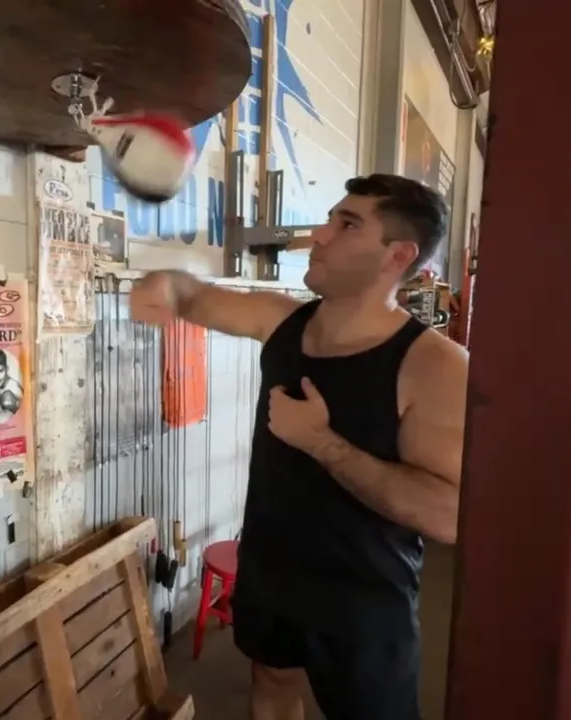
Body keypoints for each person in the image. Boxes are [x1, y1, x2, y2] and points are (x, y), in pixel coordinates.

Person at [129, 174, 468, 720]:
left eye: (347, 225)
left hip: (362, 597)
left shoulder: (434, 365)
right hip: (271, 571)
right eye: (330, 218)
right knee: (270, 683)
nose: (320, 234)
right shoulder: (282, 321)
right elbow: (192, 295)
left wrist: (321, 443)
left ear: (398, 255)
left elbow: (447, 515)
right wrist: (163, 284)